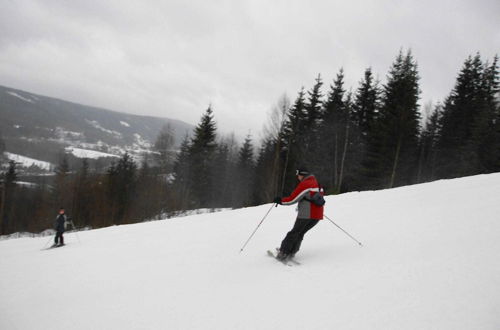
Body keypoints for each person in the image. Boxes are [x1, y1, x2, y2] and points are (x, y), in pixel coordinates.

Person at [273, 167, 324, 261]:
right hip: (317, 215)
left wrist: (280, 201)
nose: (298, 177)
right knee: (300, 233)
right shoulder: (317, 183)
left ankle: (283, 253)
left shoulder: (306, 183)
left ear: (302, 175)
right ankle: (291, 252)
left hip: (306, 214)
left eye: (298, 175)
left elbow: (292, 199)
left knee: (294, 233)